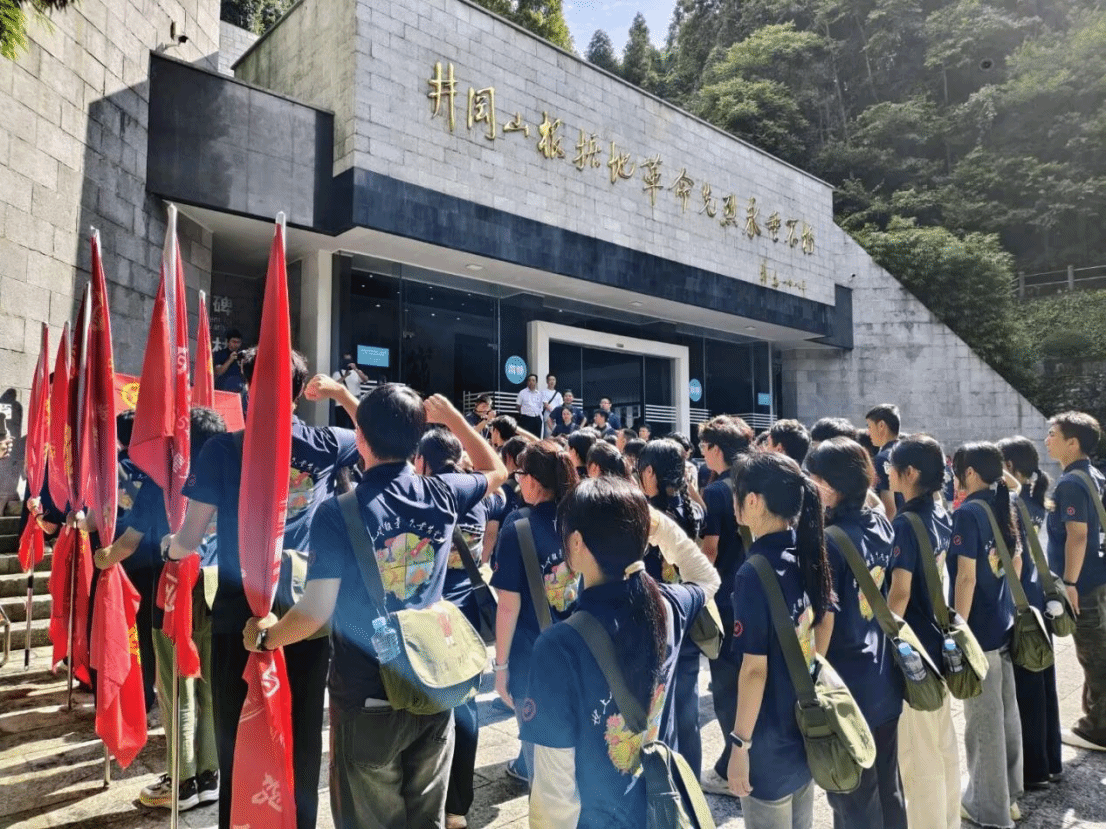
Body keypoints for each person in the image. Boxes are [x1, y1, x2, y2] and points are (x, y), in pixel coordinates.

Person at [241, 387, 505, 829]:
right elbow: (495, 469)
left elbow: (314, 612)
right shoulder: (443, 493)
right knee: (425, 818)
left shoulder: (337, 512)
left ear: (360, 437)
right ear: (418, 439)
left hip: (366, 695)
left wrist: (267, 636)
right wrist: (453, 418)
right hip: (431, 685)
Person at [166, 355, 360, 830]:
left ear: (247, 388)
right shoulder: (324, 443)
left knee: (236, 736)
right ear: (296, 391)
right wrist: (340, 394)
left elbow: (191, 538)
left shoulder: (222, 449)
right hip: (304, 614)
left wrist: (172, 547)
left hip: (240, 613)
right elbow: (379, 438)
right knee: (302, 734)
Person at [522, 477, 719, 827]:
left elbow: (555, 793)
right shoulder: (669, 605)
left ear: (577, 541)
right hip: (661, 811)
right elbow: (707, 579)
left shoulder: (559, 646)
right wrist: (662, 529)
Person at [95, 407, 226, 811]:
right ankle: (210, 775)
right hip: (219, 593)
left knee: (176, 691)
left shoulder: (165, 483)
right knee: (209, 689)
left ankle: (182, 781)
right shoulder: (232, 479)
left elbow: (128, 542)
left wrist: (102, 557)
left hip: (173, 595)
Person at [725, 451, 834, 830]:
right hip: (805, 727)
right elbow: (826, 619)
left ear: (753, 501)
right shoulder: (807, 551)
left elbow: (754, 670)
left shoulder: (753, 572)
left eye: (738, 493)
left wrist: (739, 746)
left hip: (768, 743)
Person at [806, 438, 906, 828]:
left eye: (814, 478)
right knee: (888, 786)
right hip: (883, 674)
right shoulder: (879, 522)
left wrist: (812, 681)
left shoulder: (829, 541)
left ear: (831, 486)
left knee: (854, 799)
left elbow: (825, 620)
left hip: (848, 684)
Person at [413, 427, 491, 830]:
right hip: (467, 616)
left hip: (431, 614)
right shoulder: (479, 497)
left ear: (422, 462)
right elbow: (495, 472)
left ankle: (429, 795)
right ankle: (458, 807)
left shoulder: (423, 495)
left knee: (429, 708)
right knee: (466, 705)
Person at [490, 440, 580, 785]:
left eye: (520, 474)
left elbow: (508, 606)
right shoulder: (578, 519)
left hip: (532, 655)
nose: (518, 481)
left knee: (540, 759)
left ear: (534, 480)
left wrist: (500, 668)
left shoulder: (518, 526)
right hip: (579, 648)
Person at [885, 434, 959, 829]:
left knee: (918, 757)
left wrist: (886, 638)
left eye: (891, 467)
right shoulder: (940, 512)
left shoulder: (906, 521)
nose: (887, 473)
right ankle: (948, 820)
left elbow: (899, 592)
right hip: (939, 640)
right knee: (942, 746)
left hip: (914, 649)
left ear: (909, 472)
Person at [948, 442, 1024, 828]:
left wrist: (956, 631)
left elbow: (965, 577)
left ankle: (987, 809)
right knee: (1005, 715)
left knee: (983, 725)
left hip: (977, 629)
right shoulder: (1004, 503)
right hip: (1003, 620)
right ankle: (1009, 797)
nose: (954, 479)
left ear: (970, 474)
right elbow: (1016, 561)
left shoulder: (967, 513)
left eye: (957, 471)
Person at [637, 438, 708, 776]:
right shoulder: (694, 510)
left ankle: (662, 777)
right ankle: (689, 778)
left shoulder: (646, 516)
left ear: (650, 472)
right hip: (687, 615)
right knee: (686, 708)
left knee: (656, 709)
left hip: (655, 620)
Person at [998, 435, 1062, 789]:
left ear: (1007, 466)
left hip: (1021, 607)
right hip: (1039, 602)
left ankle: (1033, 770)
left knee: (1027, 692)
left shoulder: (1012, 505)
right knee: (1044, 685)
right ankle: (1050, 761)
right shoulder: (1035, 502)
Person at [697, 415, 755, 796]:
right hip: (759, 589)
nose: (703, 454)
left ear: (717, 449)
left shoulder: (718, 491)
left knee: (726, 687)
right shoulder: (757, 480)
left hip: (726, 597)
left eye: (705, 447)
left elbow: (710, 551)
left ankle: (731, 766)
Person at [1044, 411, 1106, 751]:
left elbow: (1078, 535)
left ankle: (1098, 730)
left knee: (1094, 655)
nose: (1047, 440)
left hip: (1085, 584)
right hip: (1099, 576)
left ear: (1073, 443)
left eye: (1053, 434)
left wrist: (1069, 582)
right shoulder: (1093, 475)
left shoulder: (1070, 483)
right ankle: (1093, 716)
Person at [866, 404, 903, 519]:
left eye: (869, 426)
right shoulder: (908, 451)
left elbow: (889, 510)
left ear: (881, 425)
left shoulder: (882, 458)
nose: (868, 432)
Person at [331, 354, 367, 427]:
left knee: (354, 426)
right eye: (346, 360)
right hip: (341, 404)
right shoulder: (337, 373)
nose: (347, 363)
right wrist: (345, 376)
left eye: (349, 360)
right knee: (341, 426)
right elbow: (333, 385)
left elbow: (365, 380)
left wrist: (356, 369)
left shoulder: (357, 373)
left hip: (353, 404)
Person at [212, 328, 245, 393]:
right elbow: (219, 372)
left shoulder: (242, 356)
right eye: (233, 342)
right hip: (223, 390)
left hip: (239, 391)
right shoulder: (219, 354)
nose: (236, 345)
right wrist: (230, 360)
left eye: (238, 342)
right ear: (228, 342)